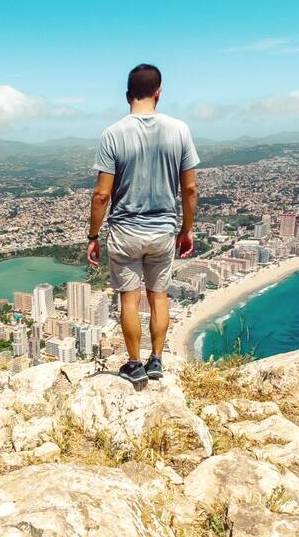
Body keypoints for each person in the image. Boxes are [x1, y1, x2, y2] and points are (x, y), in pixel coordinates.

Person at [86, 63, 199, 384]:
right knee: (159, 295)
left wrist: (93, 236)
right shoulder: (180, 130)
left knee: (129, 299)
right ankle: (157, 360)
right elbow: (190, 188)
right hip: (163, 230)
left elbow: (101, 195)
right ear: (158, 94)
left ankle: (135, 364)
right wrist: (186, 229)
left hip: (125, 232)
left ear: (127, 96)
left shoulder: (113, 134)